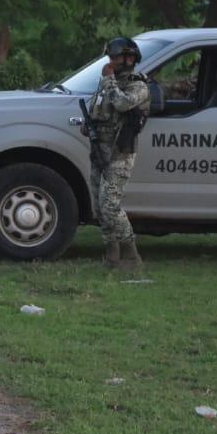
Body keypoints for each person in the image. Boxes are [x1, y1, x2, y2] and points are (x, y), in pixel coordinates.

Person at [85, 36, 151, 273]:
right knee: (98, 206)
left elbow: (123, 104)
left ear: (129, 59)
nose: (110, 62)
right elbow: (97, 108)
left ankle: (131, 254)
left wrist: (108, 81)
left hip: (120, 153)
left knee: (110, 204)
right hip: (100, 151)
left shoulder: (137, 86)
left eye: (114, 58)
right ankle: (112, 253)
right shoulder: (108, 83)